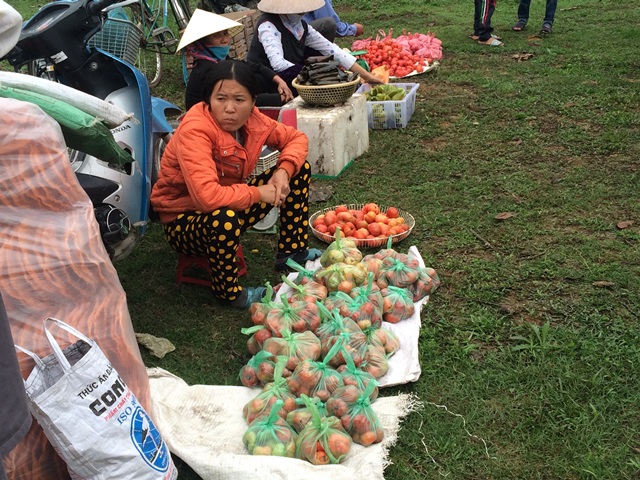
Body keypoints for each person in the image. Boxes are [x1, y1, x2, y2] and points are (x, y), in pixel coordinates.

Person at [150, 60, 321, 309]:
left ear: (253, 101)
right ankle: (230, 293)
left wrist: (284, 171)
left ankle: (292, 253)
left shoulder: (255, 120)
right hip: (184, 221)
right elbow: (206, 198)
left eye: (239, 100)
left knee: (298, 169)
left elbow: (296, 138)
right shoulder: (195, 130)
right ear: (208, 99)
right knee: (223, 218)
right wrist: (256, 193)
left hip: (229, 203)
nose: (230, 109)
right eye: (221, 99)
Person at [246, 0, 384, 90]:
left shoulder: (300, 26)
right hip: (269, 81)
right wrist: (316, 76)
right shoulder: (268, 25)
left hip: (293, 75)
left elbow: (332, 49)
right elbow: (278, 64)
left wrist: (367, 76)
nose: (302, 14)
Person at [179, 9, 294, 111]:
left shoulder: (220, 60)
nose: (224, 40)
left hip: (223, 107)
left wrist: (278, 80)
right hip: (207, 117)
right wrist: (278, 98)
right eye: (217, 36)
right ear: (203, 42)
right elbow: (236, 99)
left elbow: (251, 66)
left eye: (225, 34)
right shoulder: (206, 68)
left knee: (259, 78)